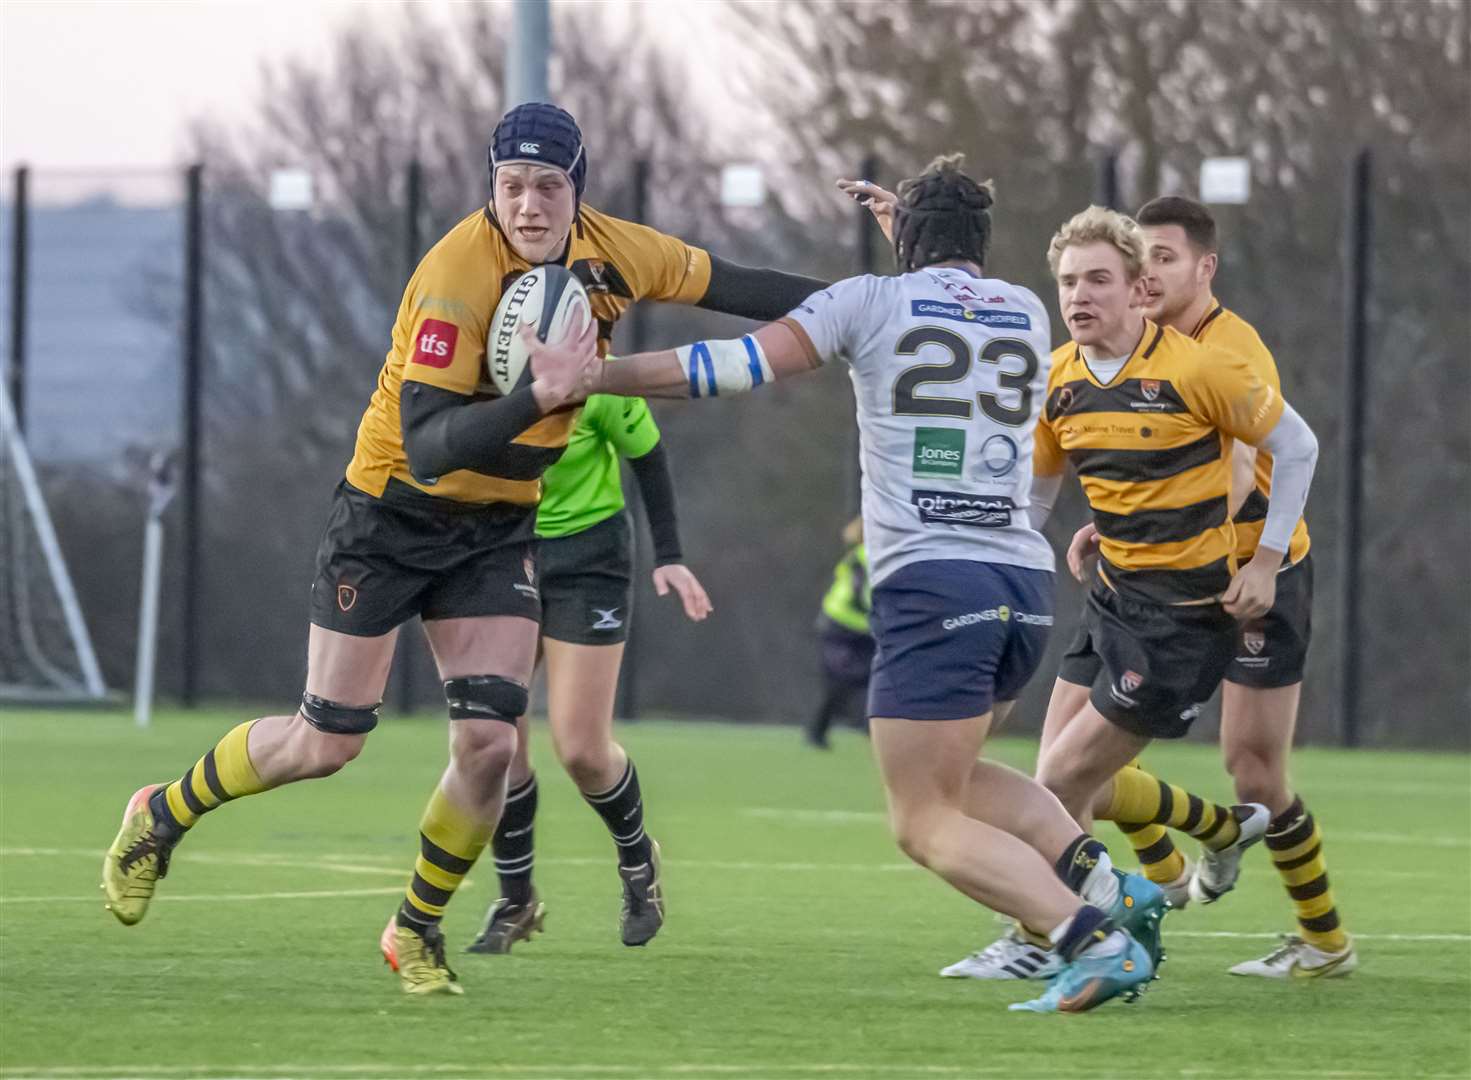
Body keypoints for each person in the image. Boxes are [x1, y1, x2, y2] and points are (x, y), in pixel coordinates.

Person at [102, 101, 824, 997]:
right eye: (511, 186)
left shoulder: (619, 250)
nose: (528, 206)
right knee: (325, 743)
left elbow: (742, 284)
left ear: (577, 191)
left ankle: (414, 929)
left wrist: (876, 293)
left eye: (548, 187)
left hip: (495, 527)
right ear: (492, 187)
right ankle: (162, 812)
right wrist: (539, 395)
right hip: (391, 515)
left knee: (488, 742)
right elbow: (434, 440)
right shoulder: (454, 273)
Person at [549, 155, 1168, 1014]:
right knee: (959, 781)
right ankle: (1101, 880)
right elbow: (943, 296)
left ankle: (1087, 939)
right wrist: (914, 238)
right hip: (1021, 583)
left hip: (933, 584)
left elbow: (727, 367)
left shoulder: (867, 299)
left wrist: (596, 374)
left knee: (921, 820)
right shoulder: (1026, 311)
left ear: (908, 241)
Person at [1081, 195, 1352, 977]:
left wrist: (1159, 526)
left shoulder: (1227, 349)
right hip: (1156, 579)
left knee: (1256, 771)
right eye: (1142, 257)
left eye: (1166, 257)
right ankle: (1180, 860)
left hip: (1252, 574)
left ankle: (1323, 940)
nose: (1150, 271)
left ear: (1204, 267)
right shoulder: (1133, 344)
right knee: (1081, 758)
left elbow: (1234, 468)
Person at [460, 392, 711, 955]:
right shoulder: (472, 374)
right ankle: (516, 899)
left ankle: (637, 857)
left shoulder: (597, 377)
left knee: (581, 750)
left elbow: (648, 455)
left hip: (588, 558)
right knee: (493, 741)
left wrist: (669, 555)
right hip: (500, 553)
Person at [804, 517, 874, 749]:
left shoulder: (873, 554)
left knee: (873, 678)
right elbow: (859, 595)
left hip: (865, 629)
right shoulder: (866, 555)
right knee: (840, 679)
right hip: (840, 626)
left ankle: (872, 728)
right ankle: (817, 731)